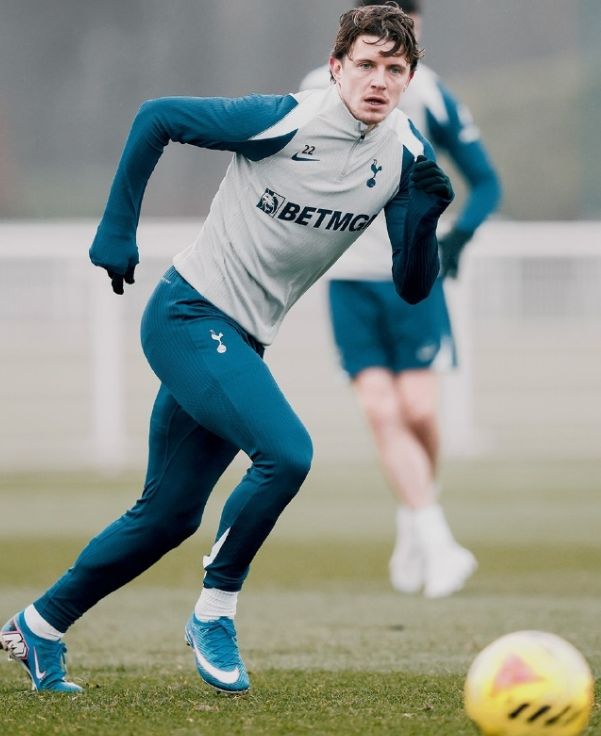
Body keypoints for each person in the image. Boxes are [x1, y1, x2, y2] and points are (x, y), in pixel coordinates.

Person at [1, 4, 454, 695]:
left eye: (394, 69)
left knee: (167, 518)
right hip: (185, 314)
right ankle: (214, 612)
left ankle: (37, 626)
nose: (378, 80)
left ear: (409, 78)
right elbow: (156, 117)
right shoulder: (286, 119)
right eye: (364, 64)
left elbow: (413, 288)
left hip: (241, 339)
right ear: (336, 67)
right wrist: (118, 228)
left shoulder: (406, 153)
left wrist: (423, 226)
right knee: (287, 454)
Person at [300, 0, 501, 599]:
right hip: (349, 280)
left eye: (407, 26)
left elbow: (486, 181)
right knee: (381, 411)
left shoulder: (430, 92)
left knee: (418, 411)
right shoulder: (319, 88)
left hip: (413, 276)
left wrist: (458, 238)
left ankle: (414, 517)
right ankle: (436, 537)